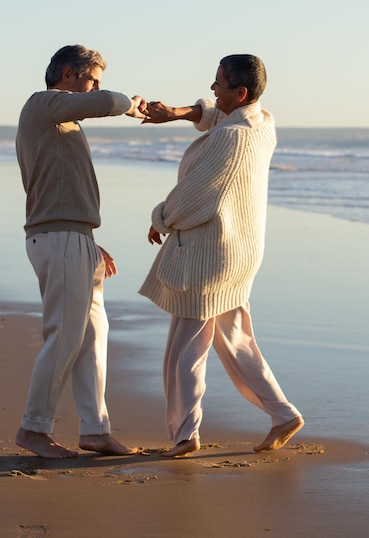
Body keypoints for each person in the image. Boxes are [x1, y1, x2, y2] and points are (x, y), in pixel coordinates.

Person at [139, 54, 304, 457]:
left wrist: (160, 219)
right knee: (234, 338)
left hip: (211, 255)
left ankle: (184, 435)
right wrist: (177, 113)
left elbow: (198, 195)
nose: (212, 89)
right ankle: (283, 415)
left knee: (184, 348)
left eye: (218, 83)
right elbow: (216, 116)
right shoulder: (262, 122)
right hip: (239, 250)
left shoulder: (233, 139)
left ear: (240, 92)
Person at [15, 44, 146, 458]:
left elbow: (65, 186)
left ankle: (94, 429)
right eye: (92, 79)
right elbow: (106, 102)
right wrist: (129, 104)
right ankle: (33, 429)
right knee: (65, 336)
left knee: (92, 337)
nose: (95, 89)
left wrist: (88, 239)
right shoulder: (43, 104)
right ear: (68, 74)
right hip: (58, 238)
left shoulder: (62, 120)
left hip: (75, 237)